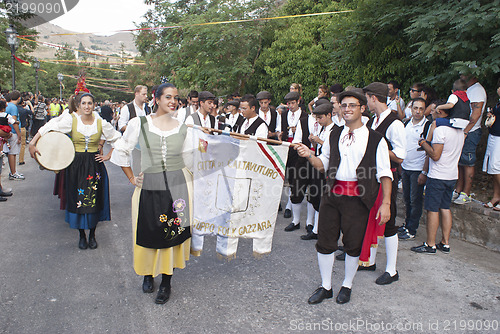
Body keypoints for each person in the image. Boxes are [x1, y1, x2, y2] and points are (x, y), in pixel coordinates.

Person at [295, 89, 392, 304]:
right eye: (344, 105)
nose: (347, 109)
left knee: (352, 244)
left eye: (352, 105)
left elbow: (385, 174)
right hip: (331, 195)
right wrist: (309, 154)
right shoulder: (335, 134)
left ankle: (347, 285)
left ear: (362, 108)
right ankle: (326, 286)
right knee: (325, 242)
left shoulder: (376, 139)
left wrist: (385, 204)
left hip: (358, 199)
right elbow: (324, 164)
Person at [110, 83, 193, 305]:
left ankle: (166, 281)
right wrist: (131, 177)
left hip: (176, 185)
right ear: (156, 99)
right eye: (168, 97)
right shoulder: (140, 123)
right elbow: (121, 150)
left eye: (176, 97)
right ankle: (148, 273)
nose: (173, 101)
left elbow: (193, 159)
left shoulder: (183, 128)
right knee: (148, 231)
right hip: (148, 185)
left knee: (172, 233)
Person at [29, 93, 121, 250]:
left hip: (94, 164)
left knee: (94, 200)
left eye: (90, 103)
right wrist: (32, 143)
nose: (87, 106)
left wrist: (108, 155)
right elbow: (49, 127)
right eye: (83, 103)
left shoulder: (100, 122)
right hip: (75, 164)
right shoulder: (71, 119)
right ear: (78, 105)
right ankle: (81, 235)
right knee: (77, 199)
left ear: (94, 105)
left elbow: (117, 137)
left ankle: (92, 234)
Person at [363, 82, 406, 284]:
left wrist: (379, 148)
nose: (366, 103)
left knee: (387, 221)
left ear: (374, 98)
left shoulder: (395, 123)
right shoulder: (373, 120)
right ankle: (370, 261)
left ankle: (392, 270)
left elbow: (400, 156)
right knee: (372, 217)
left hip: (388, 176)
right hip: (372, 176)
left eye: (367, 98)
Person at [411, 101, 464, 254]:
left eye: (434, 110)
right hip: (452, 175)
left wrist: (423, 142)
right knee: (445, 207)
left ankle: (430, 244)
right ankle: (445, 243)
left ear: (440, 113)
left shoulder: (441, 131)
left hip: (438, 176)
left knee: (432, 209)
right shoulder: (459, 131)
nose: (431, 112)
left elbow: (435, 155)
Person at [301, 102, 335, 240]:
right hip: (318, 164)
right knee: (316, 197)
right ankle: (315, 228)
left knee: (323, 199)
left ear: (328, 115)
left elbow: (331, 150)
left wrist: (319, 141)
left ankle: (320, 230)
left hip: (327, 169)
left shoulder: (335, 130)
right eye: (316, 118)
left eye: (320, 118)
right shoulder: (324, 128)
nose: (318, 121)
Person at [399, 98, 430, 240]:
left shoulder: (428, 125)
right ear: (411, 109)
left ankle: (412, 229)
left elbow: (429, 150)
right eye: (415, 108)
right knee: (406, 198)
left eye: (421, 109)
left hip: (418, 168)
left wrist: (424, 172)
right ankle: (406, 224)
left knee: (415, 199)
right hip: (405, 167)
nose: (418, 111)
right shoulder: (406, 123)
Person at [453, 75, 487, 205]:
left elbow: (476, 114)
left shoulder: (477, 90)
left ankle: (466, 193)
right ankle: (458, 190)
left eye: (464, 74)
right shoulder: (470, 89)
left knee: (468, 161)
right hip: (464, 131)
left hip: (471, 132)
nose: (461, 76)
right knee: (461, 162)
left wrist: (466, 130)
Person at [280, 91, 308, 220]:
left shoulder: (304, 116)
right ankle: (283, 204)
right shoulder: (284, 114)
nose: (290, 106)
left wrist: (298, 132)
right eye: (288, 104)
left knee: (293, 178)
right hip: (285, 146)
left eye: (293, 103)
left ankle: (289, 206)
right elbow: (280, 129)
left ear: (298, 101)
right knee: (283, 175)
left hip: (297, 148)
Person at [482, 79, 500, 211]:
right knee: (492, 168)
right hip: (493, 136)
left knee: (496, 166)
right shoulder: (498, 103)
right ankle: (496, 196)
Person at [5, 91, 24, 180]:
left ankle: (13, 171)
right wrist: (19, 134)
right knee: (13, 153)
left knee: (11, 153)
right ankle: (13, 172)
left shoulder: (8, 105)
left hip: (7, 132)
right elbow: (14, 121)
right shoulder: (13, 108)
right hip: (13, 132)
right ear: (19, 98)